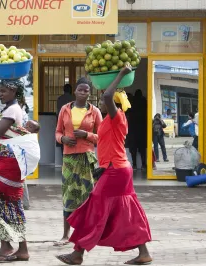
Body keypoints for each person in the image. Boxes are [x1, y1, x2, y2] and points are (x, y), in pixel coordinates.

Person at [55, 63, 152, 266]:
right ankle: (143, 252)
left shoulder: (118, 118)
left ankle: (78, 254)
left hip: (116, 170)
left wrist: (121, 74)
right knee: (127, 211)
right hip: (115, 168)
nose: (102, 101)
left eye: (107, 101)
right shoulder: (110, 119)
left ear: (115, 104)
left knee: (93, 208)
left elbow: (108, 96)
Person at [0, 79, 32, 262]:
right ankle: (15, 247)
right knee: (6, 204)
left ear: (13, 90)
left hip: (7, 166)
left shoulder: (12, 110)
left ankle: (8, 246)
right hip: (6, 165)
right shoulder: (16, 108)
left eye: (2, 91)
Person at [54, 77, 103, 247]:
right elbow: (58, 132)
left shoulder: (95, 111)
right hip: (69, 158)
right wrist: (63, 139)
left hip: (86, 158)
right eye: (80, 90)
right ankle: (66, 235)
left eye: (86, 90)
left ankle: (86, 233)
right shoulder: (65, 109)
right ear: (75, 91)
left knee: (87, 196)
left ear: (90, 93)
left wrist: (87, 135)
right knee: (68, 195)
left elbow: (102, 136)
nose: (83, 93)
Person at [21, 119, 41, 210]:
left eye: (30, 127)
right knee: (22, 180)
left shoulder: (30, 137)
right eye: (26, 125)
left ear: (35, 131)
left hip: (24, 161)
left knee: (21, 180)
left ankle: (25, 203)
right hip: (21, 161)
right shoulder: (23, 133)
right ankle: (25, 203)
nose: (27, 127)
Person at [129, 89, 147, 170]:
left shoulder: (131, 102)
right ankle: (143, 164)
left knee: (133, 149)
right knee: (142, 148)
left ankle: (134, 165)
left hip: (132, 128)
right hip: (142, 128)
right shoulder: (144, 102)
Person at [57, 84, 75, 155]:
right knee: (72, 140)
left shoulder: (59, 99)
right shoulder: (73, 99)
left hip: (61, 122)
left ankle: (64, 157)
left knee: (62, 139)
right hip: (71, 123)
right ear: (71, 90)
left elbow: (57, 112)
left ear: (63, 90)